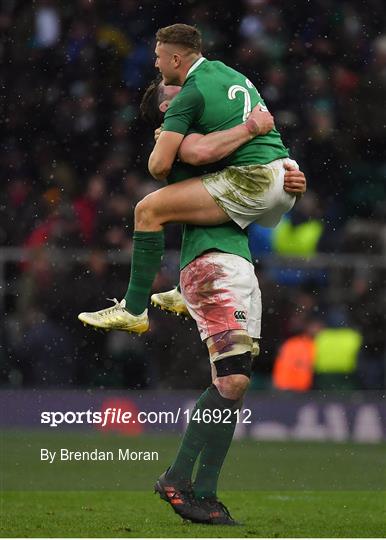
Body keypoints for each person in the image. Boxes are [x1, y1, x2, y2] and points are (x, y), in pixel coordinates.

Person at [80, 78, 306, 524]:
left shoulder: (214, 141)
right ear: (166, 113)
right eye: (174, 96)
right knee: (234, 380)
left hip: (235, 265)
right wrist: (256, 128)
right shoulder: (186, 144)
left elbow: (269, 211)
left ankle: (201, 491)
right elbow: (198, 159)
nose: (187, 97)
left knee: (233, 382)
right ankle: (181, 479)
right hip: (212, 264)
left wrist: (287, 183)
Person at [78, 23, 302, 333]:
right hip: (283, 175)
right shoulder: (225, 73)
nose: (155, 63)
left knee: (148, 209)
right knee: (192, 200)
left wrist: (169, 143)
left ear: (175, 60)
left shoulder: (189, 97)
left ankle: (133, 309)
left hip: (255, 181)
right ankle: (184, 291)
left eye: (158, 57)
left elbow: (163, 165)